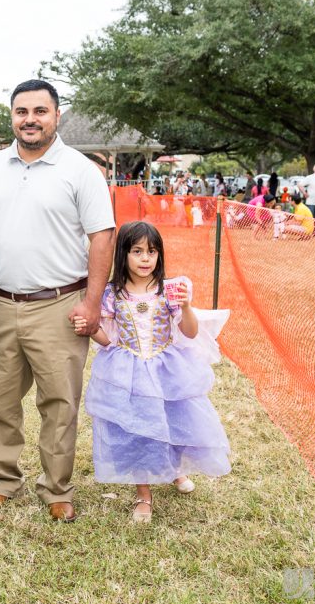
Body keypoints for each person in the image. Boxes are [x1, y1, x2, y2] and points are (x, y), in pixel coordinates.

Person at [0, 79, 116, 522]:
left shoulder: (80, 170)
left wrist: (92, 305)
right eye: (22, 111)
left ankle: (56, 488)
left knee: (59, 403)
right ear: (12, 116)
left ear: (56, 115)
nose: (30, 119)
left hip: (60, 303)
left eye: (40, 111)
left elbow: (103, 237)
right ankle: (3, 481)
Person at [73, 221, 230, 523]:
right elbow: (106, 336)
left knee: (173, 421)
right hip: (128, 368)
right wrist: (89, 329)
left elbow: (190, 331)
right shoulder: (111, 294)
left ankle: (175, 471)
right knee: (139, 429)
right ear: (123, 255)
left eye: (152, 252)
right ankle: (143, 493)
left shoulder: (169, 290)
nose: (145, 259)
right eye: (137, 251)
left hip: (165, 367)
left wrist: (185, 307)